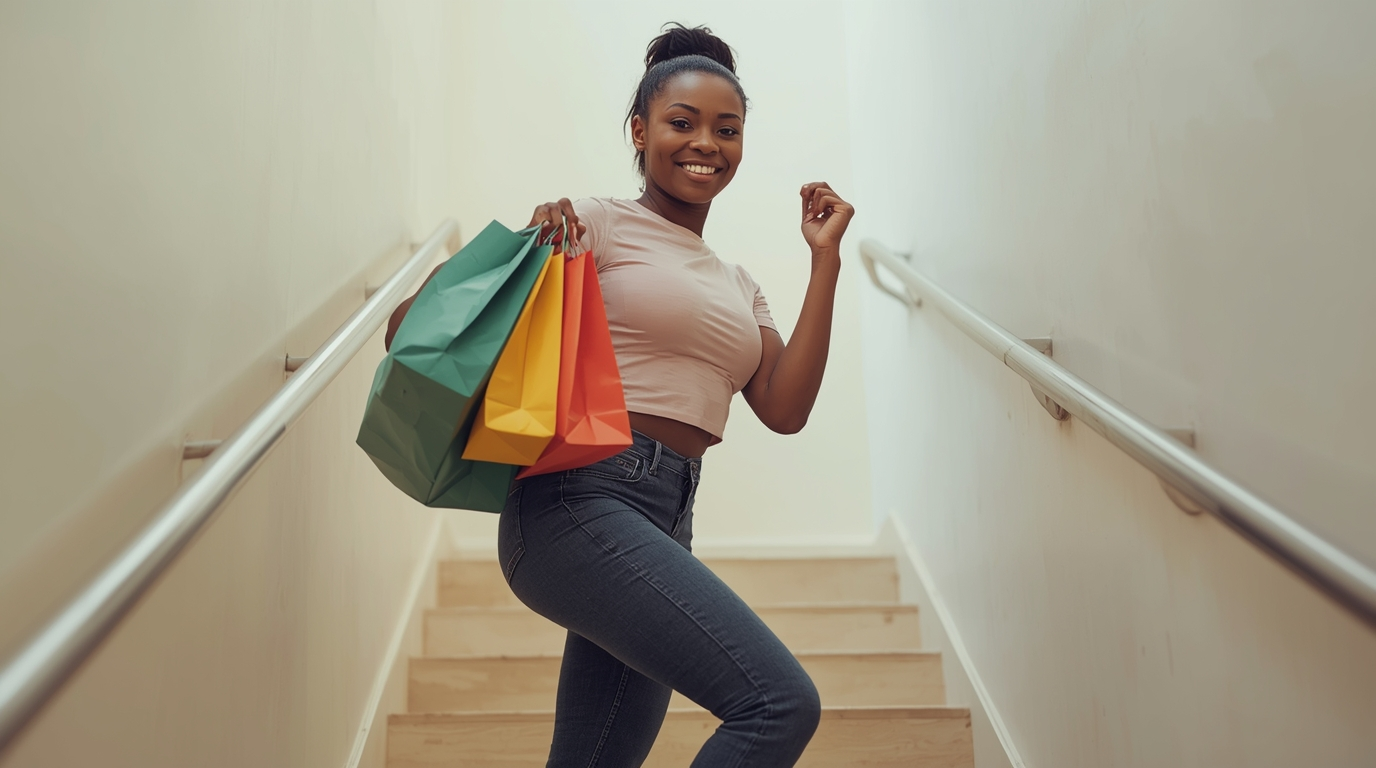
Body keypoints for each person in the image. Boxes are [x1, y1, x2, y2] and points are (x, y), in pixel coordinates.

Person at [391, 23, 853, 768]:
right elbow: (408, 329)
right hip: (578, 498)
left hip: (667, 518)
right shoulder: (594, 221)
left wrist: (824, 260)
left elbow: (785, 409)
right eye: (682, 123)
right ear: (639, 131)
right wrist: (531, 258)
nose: (706, 142)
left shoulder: (741, 285)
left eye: (726, 129)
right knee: (777, 703)